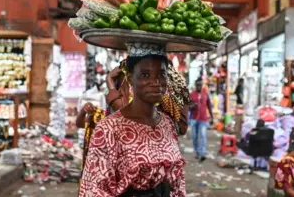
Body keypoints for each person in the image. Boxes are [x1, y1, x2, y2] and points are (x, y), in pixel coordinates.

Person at [79, 43, 185, 196]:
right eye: (145, 75)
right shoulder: (109, 129)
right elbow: (93, 190)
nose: (155, 82)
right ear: (130, 78)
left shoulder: (167, 124)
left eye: (161, 74)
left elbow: (178, 181)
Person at [190, 78, 214, 162]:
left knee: (203, 135)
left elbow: (209, 106)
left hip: (203, 119)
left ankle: (202, 153)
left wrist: (212, 117)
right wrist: (192, 106)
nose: (199, 86)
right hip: (194, 119)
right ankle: (197, 152)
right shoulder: (192, 94)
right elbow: (188, 107)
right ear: (195, 85)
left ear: (202, 85)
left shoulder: (205, 94)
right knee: (194, 137)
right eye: (197, 85)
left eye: (200, 85)